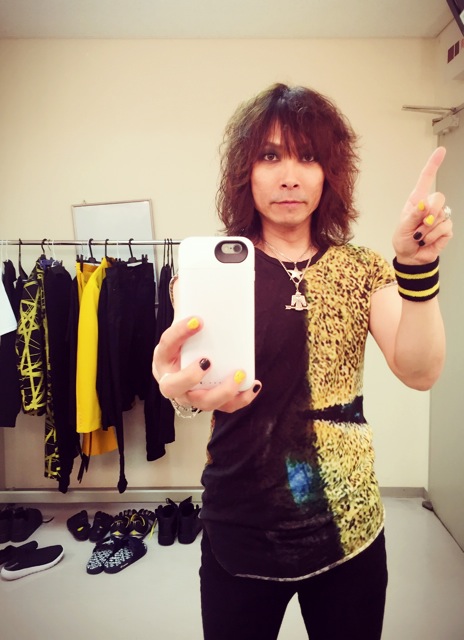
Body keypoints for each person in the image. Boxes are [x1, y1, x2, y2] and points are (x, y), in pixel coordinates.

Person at [152, 83, 453, 640]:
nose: (289, 176)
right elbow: (191, 384)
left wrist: (416, 269)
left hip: (348, 529)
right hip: (239, 528)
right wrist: (176, 391)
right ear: (245, 172)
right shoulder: (208, 276)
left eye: (307, 157)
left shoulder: (361, 268)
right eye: (270, 156)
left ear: (328, 173)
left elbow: (420, 371)